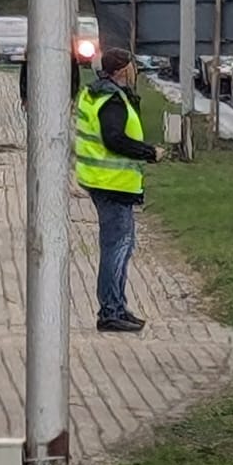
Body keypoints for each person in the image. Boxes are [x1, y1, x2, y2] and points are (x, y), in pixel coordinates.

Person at [75, 48, 164, 333]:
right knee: (117, 247)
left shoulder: (96, 93)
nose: (136, 71)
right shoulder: (112, 99)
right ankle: (110, 311)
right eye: (133, 66)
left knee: (121, 246)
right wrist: (149, 152)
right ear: (123, 70)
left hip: (104, 181)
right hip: (112, 183)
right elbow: (114, 138)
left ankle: (117, 306)